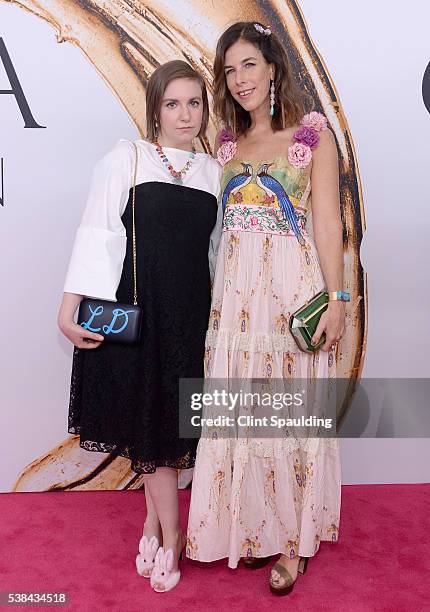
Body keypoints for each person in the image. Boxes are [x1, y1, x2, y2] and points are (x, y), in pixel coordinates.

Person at [186, 22, 346, 595]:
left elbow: (329, 222)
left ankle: (293, 545)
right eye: (230, 70)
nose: (240, 79)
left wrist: (339, 298)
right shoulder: (227, 146)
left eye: (249, 64)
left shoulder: (312, 137)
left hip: (290, 294)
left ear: (274, 68)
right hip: (235, 305)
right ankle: (255, 526)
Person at [58, 60, 222, 594]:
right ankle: (173, 538)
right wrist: (69, 305)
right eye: (173, 103)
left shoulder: (214, 172)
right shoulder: (124, 157)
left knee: (172, 431)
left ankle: (151, 521)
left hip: (191, 318)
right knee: (154, 425)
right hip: (143, 315)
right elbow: (98, 232)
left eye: (194, 102)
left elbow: (217, 254)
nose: (185, 114)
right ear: (154, 107)